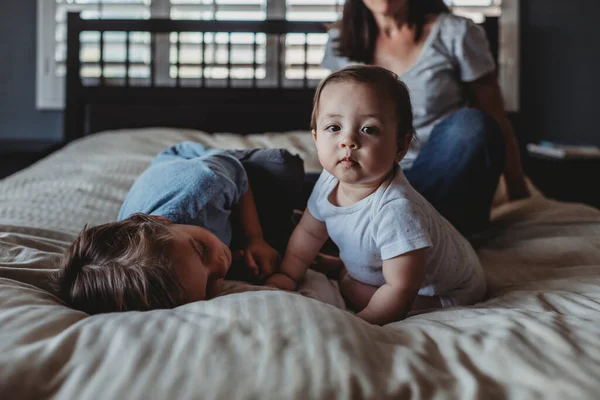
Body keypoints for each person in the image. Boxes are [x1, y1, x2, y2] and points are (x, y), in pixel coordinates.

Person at [266, 65, 486, 326]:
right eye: (334, 127)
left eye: (369, 130)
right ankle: (348, 267)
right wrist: (288, 276)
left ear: (400, 147)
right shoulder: (329, 180)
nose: (347, 141)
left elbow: (401, 289)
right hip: (399, 274)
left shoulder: (396, 209)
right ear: (315, 138)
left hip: (443, 293)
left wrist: (362, 325)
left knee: (350, 285)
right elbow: (310, 232)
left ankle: (351, 273)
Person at [316, 0, 529, 237]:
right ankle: (378, 221)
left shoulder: (457, 33)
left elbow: (494, 117)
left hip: (444, 176)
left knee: (472, 125)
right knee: (279, 173)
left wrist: (519, 190)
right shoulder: (340, 40)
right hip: (369, 176)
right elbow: (330, 117)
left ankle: (385, 220)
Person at [53, 143, 304, 314]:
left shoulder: (204, 187)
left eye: (202, 250)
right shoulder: (168, 257)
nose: (221, 264)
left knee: (284, 169)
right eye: (208, 285)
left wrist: (254, 238)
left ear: (162, 222)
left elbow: (237, 175)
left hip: (206, 162)